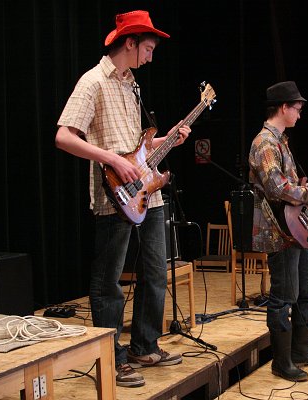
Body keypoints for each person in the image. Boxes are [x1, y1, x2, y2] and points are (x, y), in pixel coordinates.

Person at [55, 10, 191, 388]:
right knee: (109, 280)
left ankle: (144, 345)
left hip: (148, 193)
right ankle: (111, 359)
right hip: (114, 195)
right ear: (130, 43)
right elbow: (64, 137)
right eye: (148, 49)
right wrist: (111, 158)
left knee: (155, 272)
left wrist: (167, 139)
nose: (150, 57)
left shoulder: (132, 85)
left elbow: (137, 148)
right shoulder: (93, 82)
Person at [248, 81, 308, 382]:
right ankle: (281, 362)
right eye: (297, 108)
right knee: (284, 296)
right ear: (283, 108)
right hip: (279, 232)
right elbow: (276, 188)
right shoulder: (265, 143)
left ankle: (300, 350)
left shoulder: (281, 141)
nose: (299, 113)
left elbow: (290, 188)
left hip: (295, 230)